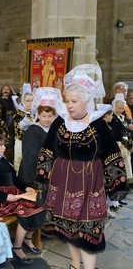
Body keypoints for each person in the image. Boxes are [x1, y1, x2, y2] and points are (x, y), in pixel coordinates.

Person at [36, 65, 129, 269]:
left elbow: (112, 155)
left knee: (88, 229)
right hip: (61, 180)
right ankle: (75, 263)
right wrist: (42, 177)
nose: (69, 105)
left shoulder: (98, 124)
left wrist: (117, 185)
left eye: (74, 101)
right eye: (67, 101)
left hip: (90, 180)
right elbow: (47, 150)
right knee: (67, 227)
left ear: (87, 102)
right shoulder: (59, 122)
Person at [0, 130, 46, 266]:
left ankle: (27, 238)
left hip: (14, 195)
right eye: (1, 145)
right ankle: (17, 247)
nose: (4, 147)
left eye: (4, 145)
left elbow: (15, 180)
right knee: (24, 211)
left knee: (40, 205)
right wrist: (6, 196)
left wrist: (25, 188)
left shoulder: (4, 161)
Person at [18, 90, 59, 186]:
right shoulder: (32, 131)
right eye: (44, 116)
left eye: (50, 116)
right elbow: (30, 156)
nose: (47, 119)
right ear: (38, 115)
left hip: (51, 172)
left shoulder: (54, 130)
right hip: (34, 175)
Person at [12, 92, 35, 172]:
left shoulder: (34, 115)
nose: (30, 103)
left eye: (32, 100)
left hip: (32, 145)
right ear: (22, 102)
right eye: (27, 101)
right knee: (21, 167)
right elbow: (18, 133)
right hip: (21, 143)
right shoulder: (18, 115)